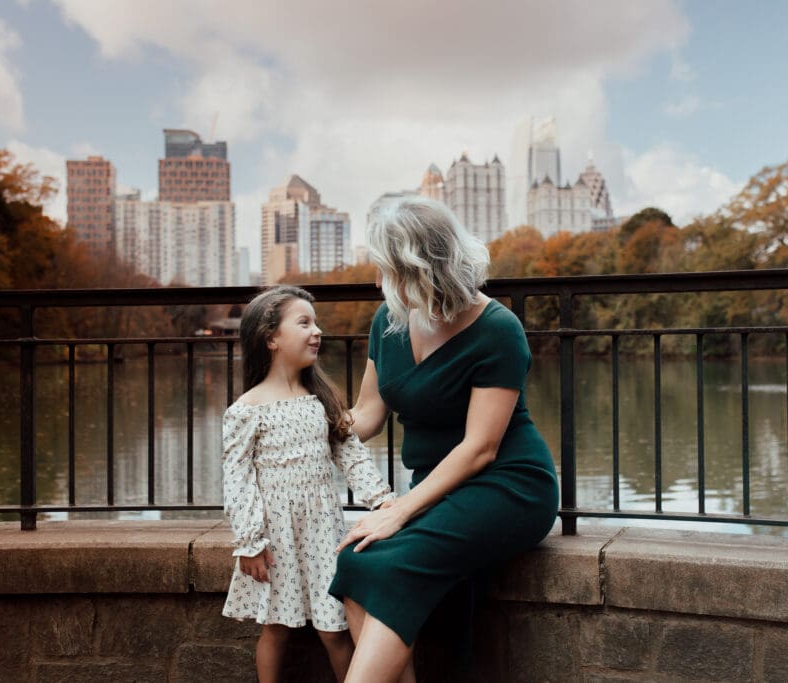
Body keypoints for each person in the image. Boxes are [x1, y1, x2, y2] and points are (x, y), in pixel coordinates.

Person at [329, 197, 560, 682]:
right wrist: (307, 424)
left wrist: (400, 509)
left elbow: (481, 447)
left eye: (385, 270)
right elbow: (368, 413)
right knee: (354, 562)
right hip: (436, 488)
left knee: (396, 561)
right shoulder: (388, 321)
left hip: (506, 485)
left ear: (418, 269)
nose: (376, 282)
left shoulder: (497, 329)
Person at [221, 285, 395, 682]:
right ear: (271, 338)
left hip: (322, 533)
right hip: (275, 539)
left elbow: (351, 457)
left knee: (334, 630)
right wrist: (250, 542)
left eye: (316, 322)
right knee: (276, 629)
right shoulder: (244, 411)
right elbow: (238, 481)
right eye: (304, 323)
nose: (317, 331)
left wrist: (384, 503)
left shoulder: (321, 401)